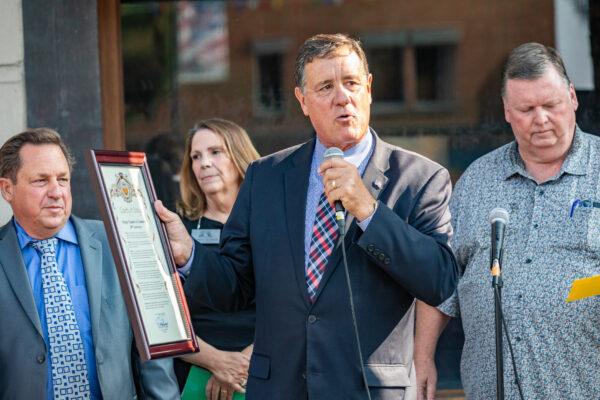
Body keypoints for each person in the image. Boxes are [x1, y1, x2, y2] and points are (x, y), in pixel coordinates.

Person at [156, 33, 459, 400]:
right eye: (326, 87)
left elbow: (440, 281)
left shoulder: (420, 178)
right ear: (303, 100)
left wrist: (368, 210)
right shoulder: (266, 176)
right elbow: (235, 284)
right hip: (280, 387)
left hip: (368, 391)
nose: (342, 97)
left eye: (350, 83)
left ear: (369, 88)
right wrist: (190, 253)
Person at [414, 43, 600, 399]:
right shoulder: (477, 179)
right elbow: (442, 277)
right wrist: (422, 356)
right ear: (506, 111)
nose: (541, 118)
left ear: (573, 97)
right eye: (527, 109)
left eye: (551, 105)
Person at [0, 128, 180, 399]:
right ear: (7, 189)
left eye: (62, 179)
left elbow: (153, 352)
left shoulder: (117, 243)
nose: (56, 192)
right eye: (40, 180)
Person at [174, 118, 260, 400]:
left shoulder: (271, 225)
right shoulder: (178, 234)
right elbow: (162, 317)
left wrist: (244, 363)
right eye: (196, 157)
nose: (204, 163)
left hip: (263, 369)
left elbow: (293, 304)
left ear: (238, 156)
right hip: (194, 376)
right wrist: (216, 362)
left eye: (215, 152)